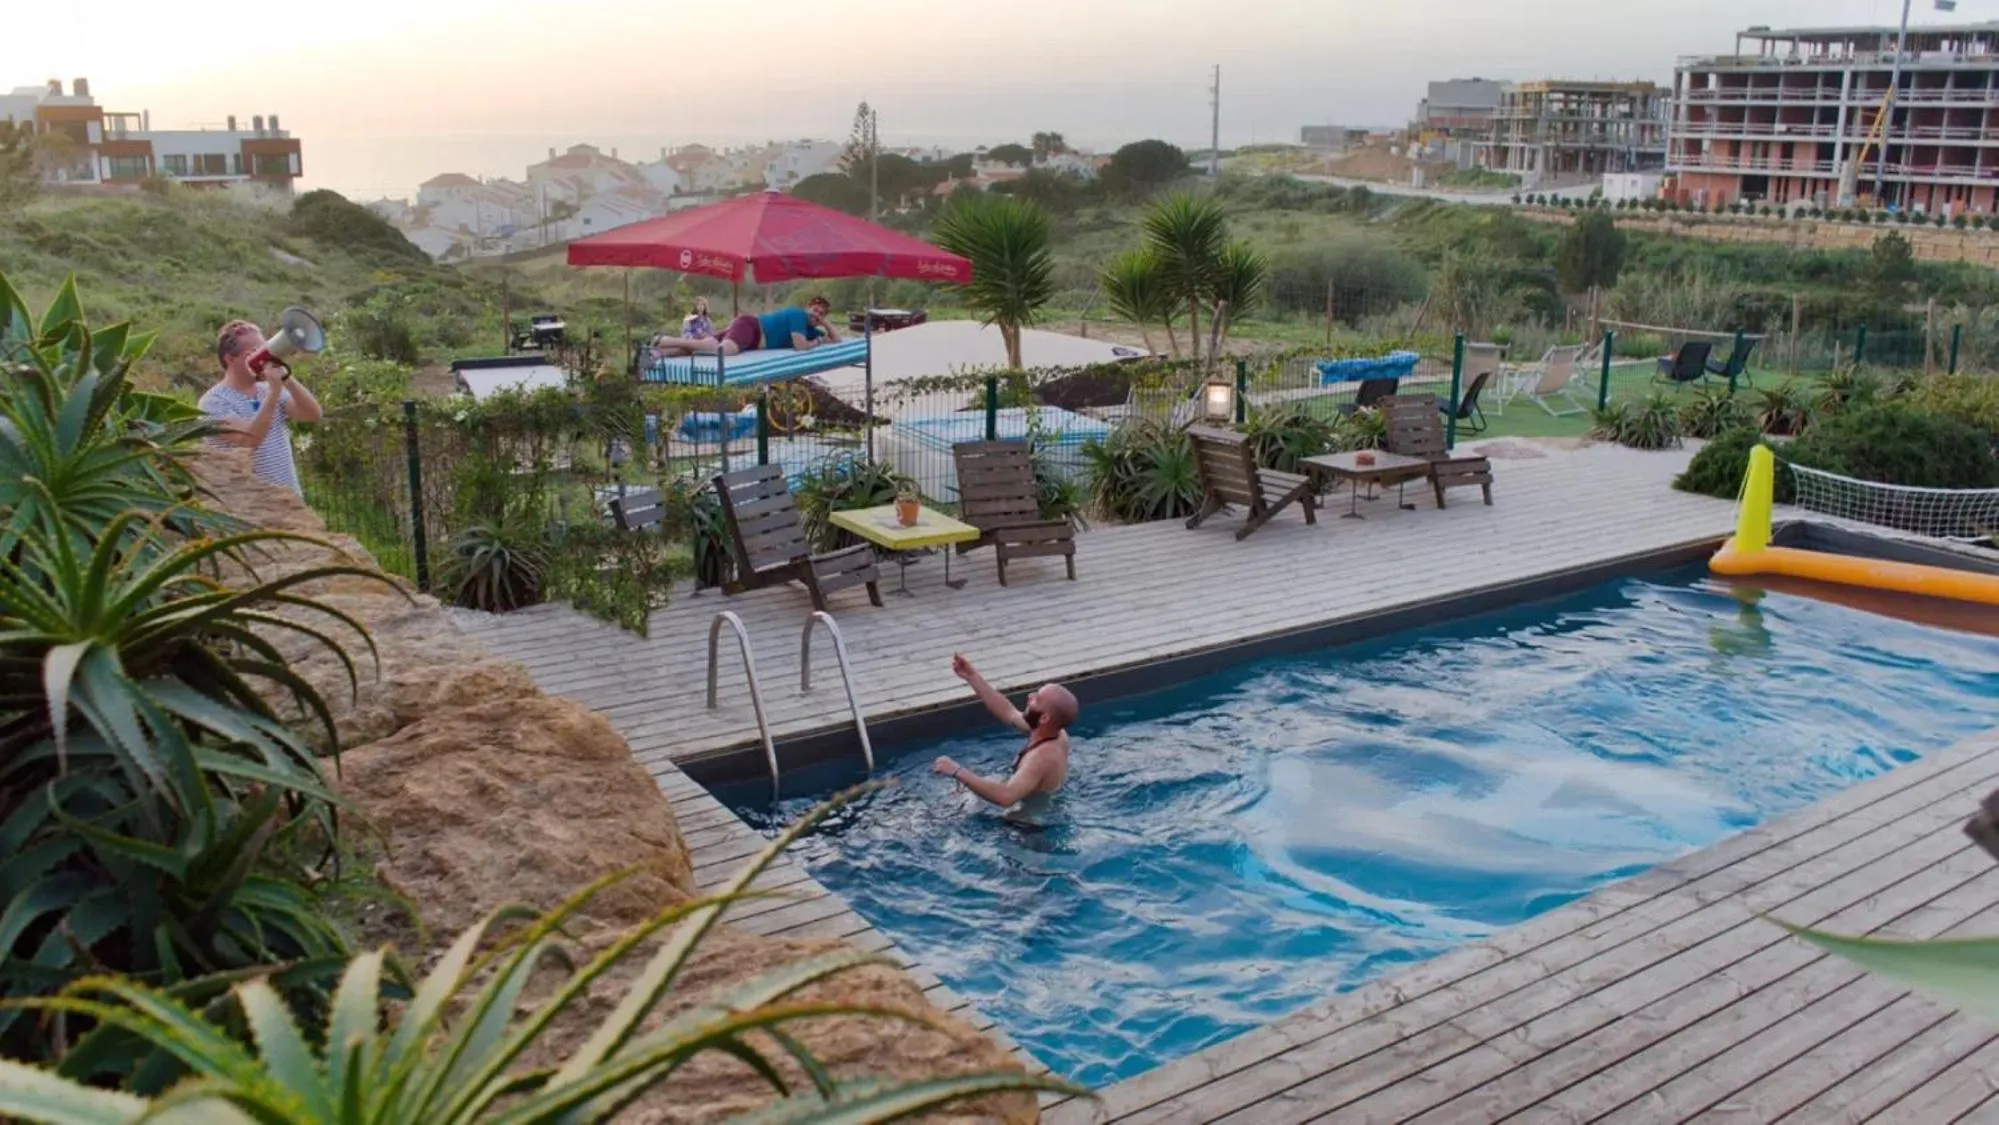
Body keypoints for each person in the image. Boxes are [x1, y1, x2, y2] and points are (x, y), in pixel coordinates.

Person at [932, 653, 1077, 810]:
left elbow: (1006, 797)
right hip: (1036, 802)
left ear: (1044, 718)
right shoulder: (1055, 732)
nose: (1030, 696)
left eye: (1037, 699)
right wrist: (972, 677)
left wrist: (957, 770)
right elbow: (1009, 712)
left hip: (1027, 827)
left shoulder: (1041, 758)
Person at [198, 319, 323, 494]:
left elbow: (312, 414)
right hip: (249, 508)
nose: (264, 357)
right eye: (255, 352)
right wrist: (274, 392)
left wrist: (287, 379)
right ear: (230, 358)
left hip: (290, 504)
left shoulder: (267, 390)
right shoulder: (212, 402)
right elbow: (248, 440)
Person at [647, 295, 840, 357]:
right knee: (724, 351)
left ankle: (659, 352)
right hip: (751, 328)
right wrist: (815, 342)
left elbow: (837, 340)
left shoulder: (810, 329)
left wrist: (825, 323)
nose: (817, 315)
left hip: (750, 336)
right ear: (807, 308)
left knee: (703, 348)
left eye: (821, 314)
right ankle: (664, 339)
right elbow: (800, 346)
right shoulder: (798, 316)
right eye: (815, 310)